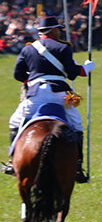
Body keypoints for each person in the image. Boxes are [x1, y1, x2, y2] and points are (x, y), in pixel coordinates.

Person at [3, 15, 95, 182]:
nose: (60, 31)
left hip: (36, 94)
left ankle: (12, 161)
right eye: (58, 29)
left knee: (15, 122)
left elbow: (18, 74)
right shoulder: (63, 47)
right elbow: (73, 72)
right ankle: (77, 165)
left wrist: (31, 81)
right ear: (52, 30)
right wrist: (86, 68)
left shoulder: (28, 49)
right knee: (76, 124)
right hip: (60, 94)